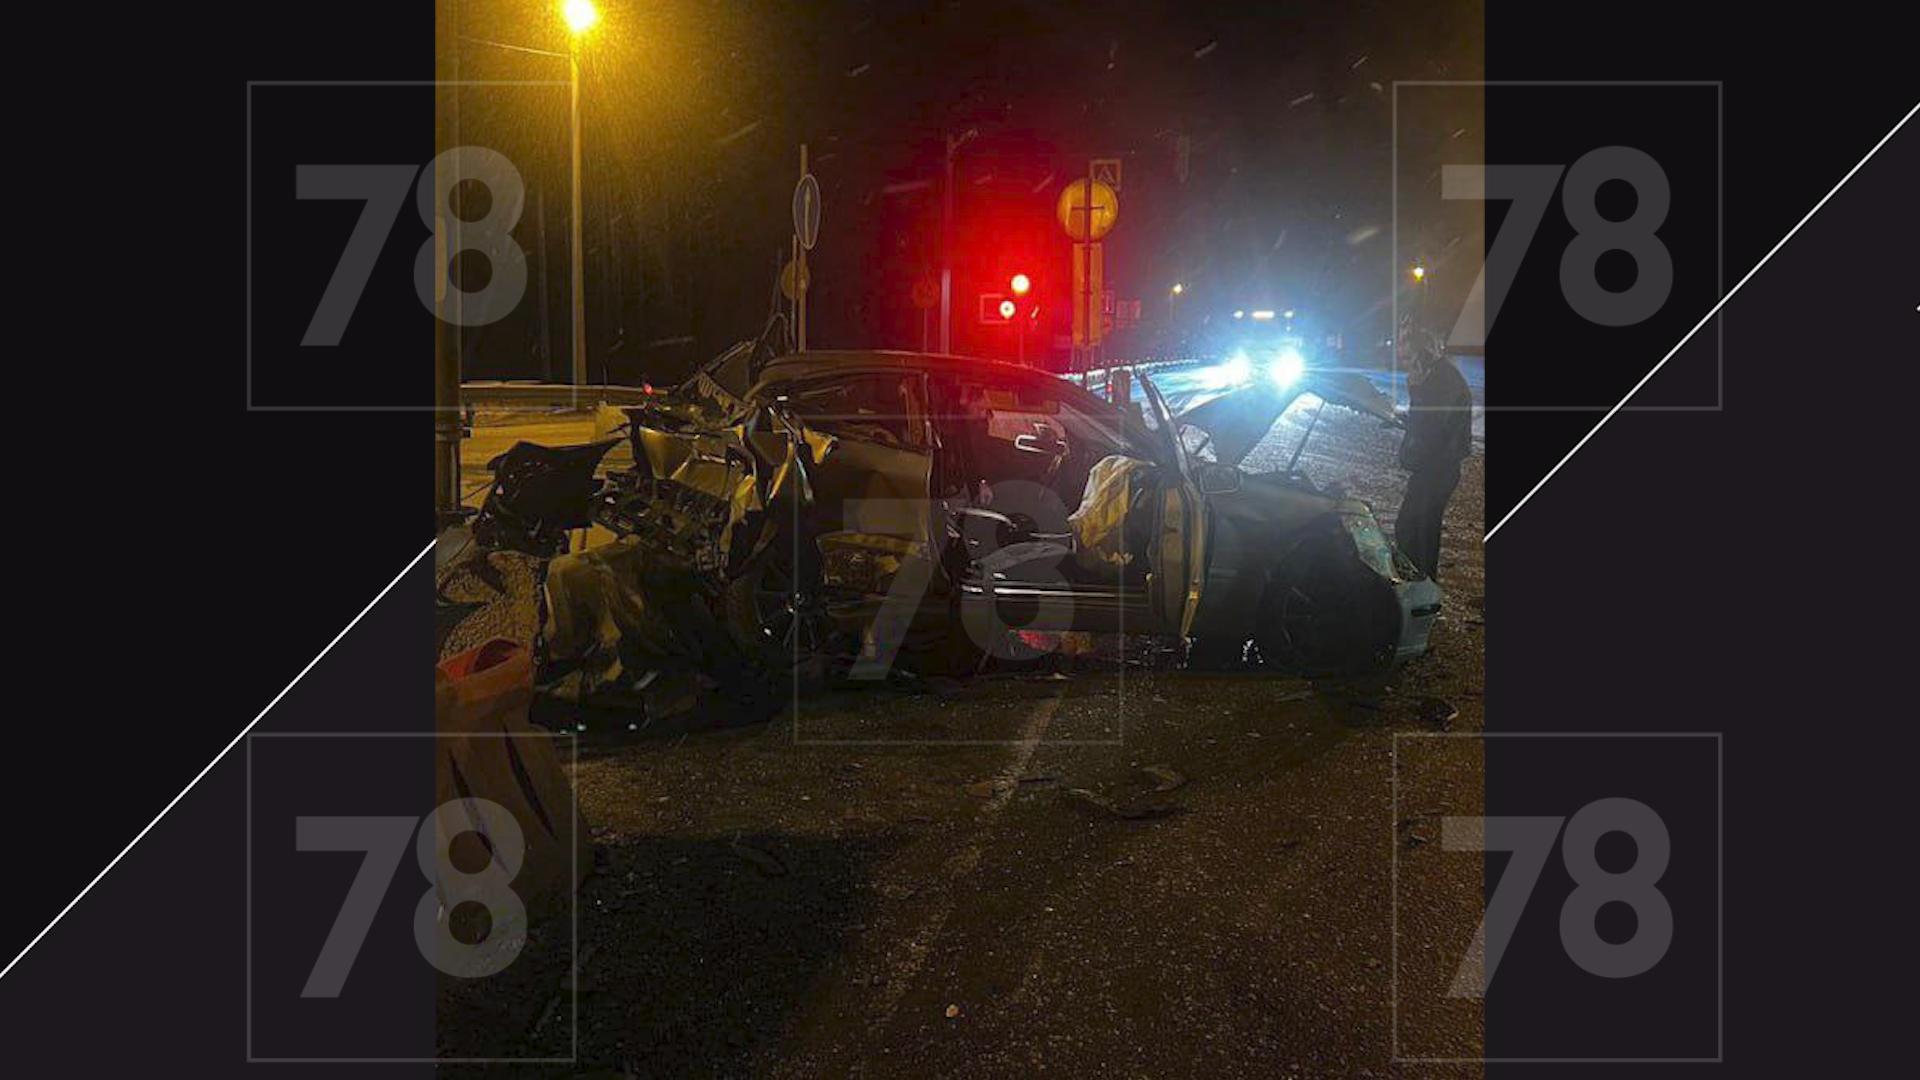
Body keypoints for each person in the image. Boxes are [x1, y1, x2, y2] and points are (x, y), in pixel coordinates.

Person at [1395, 328, 1473, 581]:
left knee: (1417, 531)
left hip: (1439, 467)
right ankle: (1419, 583)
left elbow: (1433, 424)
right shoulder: (1435, 376)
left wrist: (1416, 392)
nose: (1404, 365)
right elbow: (1428, 420)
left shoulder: (1441, 380)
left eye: (1407, 358)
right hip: (1432, 466)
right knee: (1415, 529)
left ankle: (1422, 587)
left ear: (1421, 353)